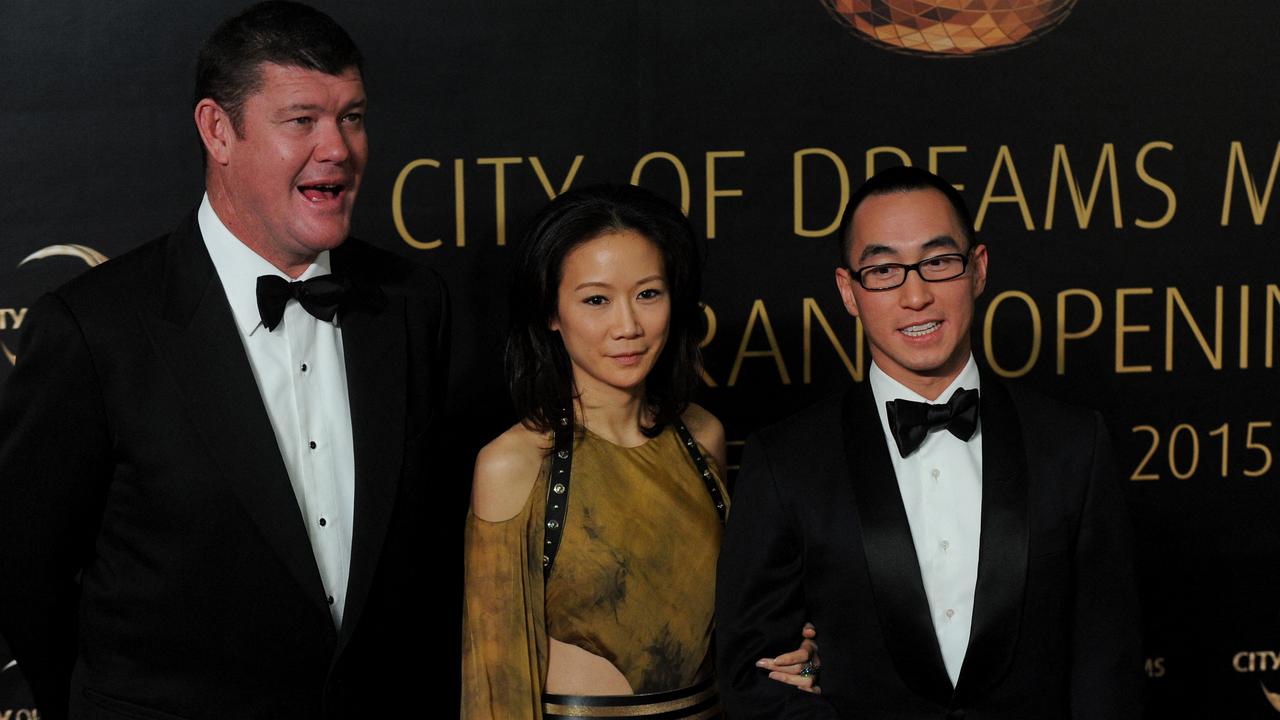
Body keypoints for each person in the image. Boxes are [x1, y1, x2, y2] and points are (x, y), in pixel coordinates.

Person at [0, 3, 449, 718]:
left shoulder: (411, 303)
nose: (338, 148)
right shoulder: (95, 329)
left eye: (353, 117)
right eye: (302, 120)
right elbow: (27, 574)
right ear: (218, 130)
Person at [715, 166, 1143, 719]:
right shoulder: (786, 460)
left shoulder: (1072, 445)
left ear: (978, 270)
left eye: (938, 262)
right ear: (849, 291)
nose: (915, 295)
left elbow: (1107, 664)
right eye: (884, 269)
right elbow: (755, 676)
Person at [462, 185, 815, 719]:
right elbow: (495, 683)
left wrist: (798, 655)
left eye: (648, 293)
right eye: (596, 300)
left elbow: (736, 625)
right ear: (551, 312)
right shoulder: (514, 463)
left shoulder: (703, 438)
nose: (627, 326)